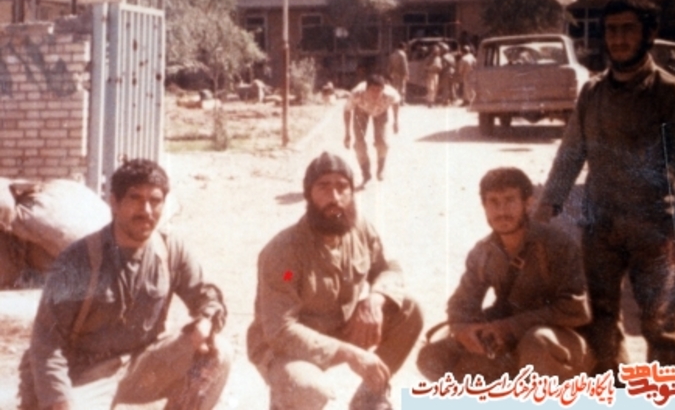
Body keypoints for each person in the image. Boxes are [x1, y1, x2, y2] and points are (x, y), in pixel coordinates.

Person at [534, 0, 675, 379]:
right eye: (611, 30)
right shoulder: (592, 92)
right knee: (601, 320)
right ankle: (615, 394)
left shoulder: (670, 92)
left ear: (649, 34)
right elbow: (571, 154)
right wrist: (548, 205)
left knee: (661, 326)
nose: (619, 39)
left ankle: (664, 398)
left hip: (654, 229)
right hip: (601, 227)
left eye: (628, 29)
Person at [18, 159, 232, 410]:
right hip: (84, 375)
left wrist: (206, 320)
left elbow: (207, 295)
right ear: (114, 202)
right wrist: (59, 400)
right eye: (135, 198)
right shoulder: (78, 259)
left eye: (155, 200)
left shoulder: (170, 249)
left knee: (218, 354)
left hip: (142, 367)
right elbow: (46, 343)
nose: (146, 210)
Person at [247, 152, 423, 410]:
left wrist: (376, 298)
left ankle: (369, 398)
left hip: (339, 328)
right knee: (308, 389)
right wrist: (350, 354)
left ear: (352, 192)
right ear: (308, 194)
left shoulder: (360, 228)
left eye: (342, 187)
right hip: (286, 346)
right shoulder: (283, 252)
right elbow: (280, 331)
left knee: (409, 310)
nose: (335, 197)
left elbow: (387, 269)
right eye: (323, 187)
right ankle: (285, 400)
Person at [417, 168, 593, 382]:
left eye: (510, 200)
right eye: (493, 202)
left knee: (536, 343)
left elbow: (576, 309)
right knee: (432, 356)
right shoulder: (483, 252)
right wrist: (464, 330)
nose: (502, 211)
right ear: (484, 207)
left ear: (528, 203)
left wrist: (510, 327)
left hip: (564, 342)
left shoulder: (556, 245)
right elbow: (460, 304)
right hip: (510, 340)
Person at [343, 74, 401, 184]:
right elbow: (347, 111)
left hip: (381, 112)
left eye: (379, 90)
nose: (375, 93)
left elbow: (396, 102)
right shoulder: (357, 94)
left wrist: (396, 121)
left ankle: (381, 168)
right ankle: (365, 171)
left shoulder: (390, 94)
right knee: (359, 143)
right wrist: (347, 133)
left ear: (383, 89)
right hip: (361, 111)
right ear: (366, 89)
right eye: (372, 90)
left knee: (382, 142)